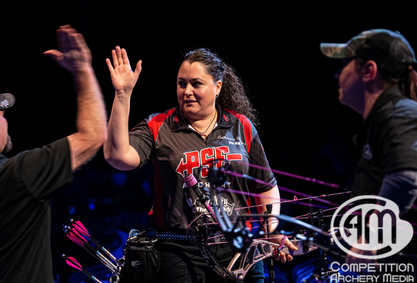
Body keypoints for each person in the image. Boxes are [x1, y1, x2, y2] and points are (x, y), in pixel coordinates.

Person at [104, 46, 296, 282]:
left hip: (241, 250)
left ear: (217, 87)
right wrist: (122, 95)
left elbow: (265, 187)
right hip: (180, 252)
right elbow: (117, 156)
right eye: (181, 83)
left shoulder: (241, 125)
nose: (187, 91)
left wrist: (271, 230)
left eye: (196, 84)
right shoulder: (159, 126)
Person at [0, 25, 107, 283]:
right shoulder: (19, 174)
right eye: (1, 116)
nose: (7, 123)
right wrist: (82, 69)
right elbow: (93, 136)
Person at [320, 29, 417, 262]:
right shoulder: (382, 118)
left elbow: (405, 179)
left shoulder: (399, 113)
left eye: (345, 63)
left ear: (368, 71)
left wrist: (370, 238)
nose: (337, 74)